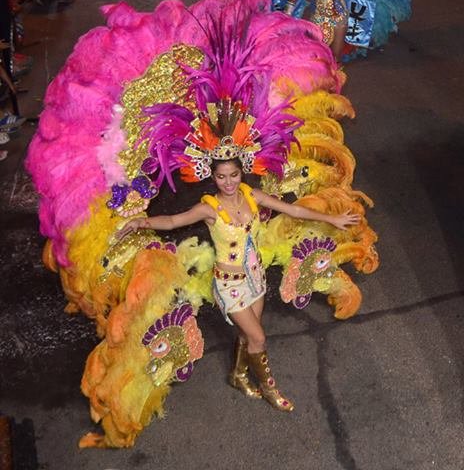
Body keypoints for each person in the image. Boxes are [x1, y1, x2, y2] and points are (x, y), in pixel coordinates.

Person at [118, 151, 360, 410]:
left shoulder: (252, 196)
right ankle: (269, 388)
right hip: (229, 284)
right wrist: (141, 222)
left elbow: (294, 209)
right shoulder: (209, 209)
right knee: (259, 338)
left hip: (255, 278)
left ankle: (238, 375)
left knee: (248, 335)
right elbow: (173, 221)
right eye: (221, 177)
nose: (228, 182)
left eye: (233, 175)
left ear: (241, 173)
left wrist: (332, 219)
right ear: (213, 177)